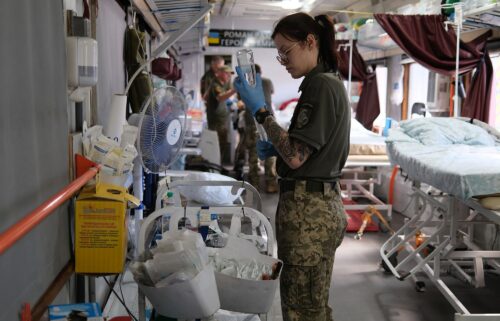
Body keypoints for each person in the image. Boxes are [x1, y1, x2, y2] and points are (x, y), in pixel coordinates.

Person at [234, 12, 350, 321]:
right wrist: (277, 147)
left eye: (287, 51)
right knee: (314, 307)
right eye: (279, 54)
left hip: (308, 215)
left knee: (302, 311)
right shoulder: (327, 82)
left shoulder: (321, 86)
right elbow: (308, 149)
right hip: (318, 208)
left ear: (310, 42)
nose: (284, 60)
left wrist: (261, 112)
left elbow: (297, 156)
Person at [255, 64, 279, 193]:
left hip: (252, 121)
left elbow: (241, 101)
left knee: (253, 153)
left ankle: (253, 185)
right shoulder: (268, 82)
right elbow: (272, 93)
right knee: (270, 152)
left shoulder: (247, 85)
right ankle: (271, 183)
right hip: (269, 119)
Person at [205, 65, 236, 164]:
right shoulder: (215, 85)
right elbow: (220, 98)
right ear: (220, 73)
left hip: (223, 119)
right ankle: (215, 166)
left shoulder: (225, 83)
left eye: (230, 74)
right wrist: (235, 90)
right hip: (216, 121)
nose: (229, 76)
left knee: (222, 144)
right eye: (227, 73)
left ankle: (218, 165)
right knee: (217, 145)